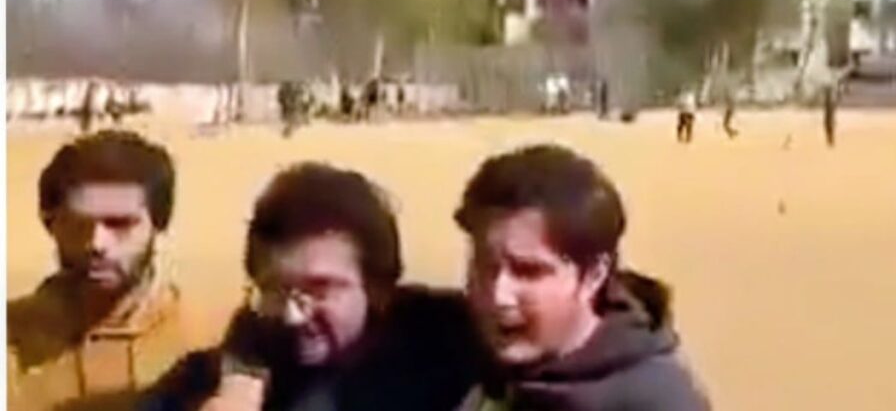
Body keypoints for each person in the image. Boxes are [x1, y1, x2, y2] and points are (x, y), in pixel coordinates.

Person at [142, 163, 481, 411]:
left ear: (377, 287)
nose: (293, 316)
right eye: (276, 290)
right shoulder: (220, 378)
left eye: (320, 290)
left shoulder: (452, 351)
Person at [453, 145, 711, 411]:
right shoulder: (453, 349)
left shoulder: (657, 401)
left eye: (528, 272)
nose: (498, 295)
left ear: (594, 275)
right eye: (484, 265)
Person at [7, 130, 210, 411]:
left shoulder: (207, 343)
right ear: (50, 224)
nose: (97, 243)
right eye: (78, 223)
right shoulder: (12, 339)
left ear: (158, 224)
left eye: (120, 224)